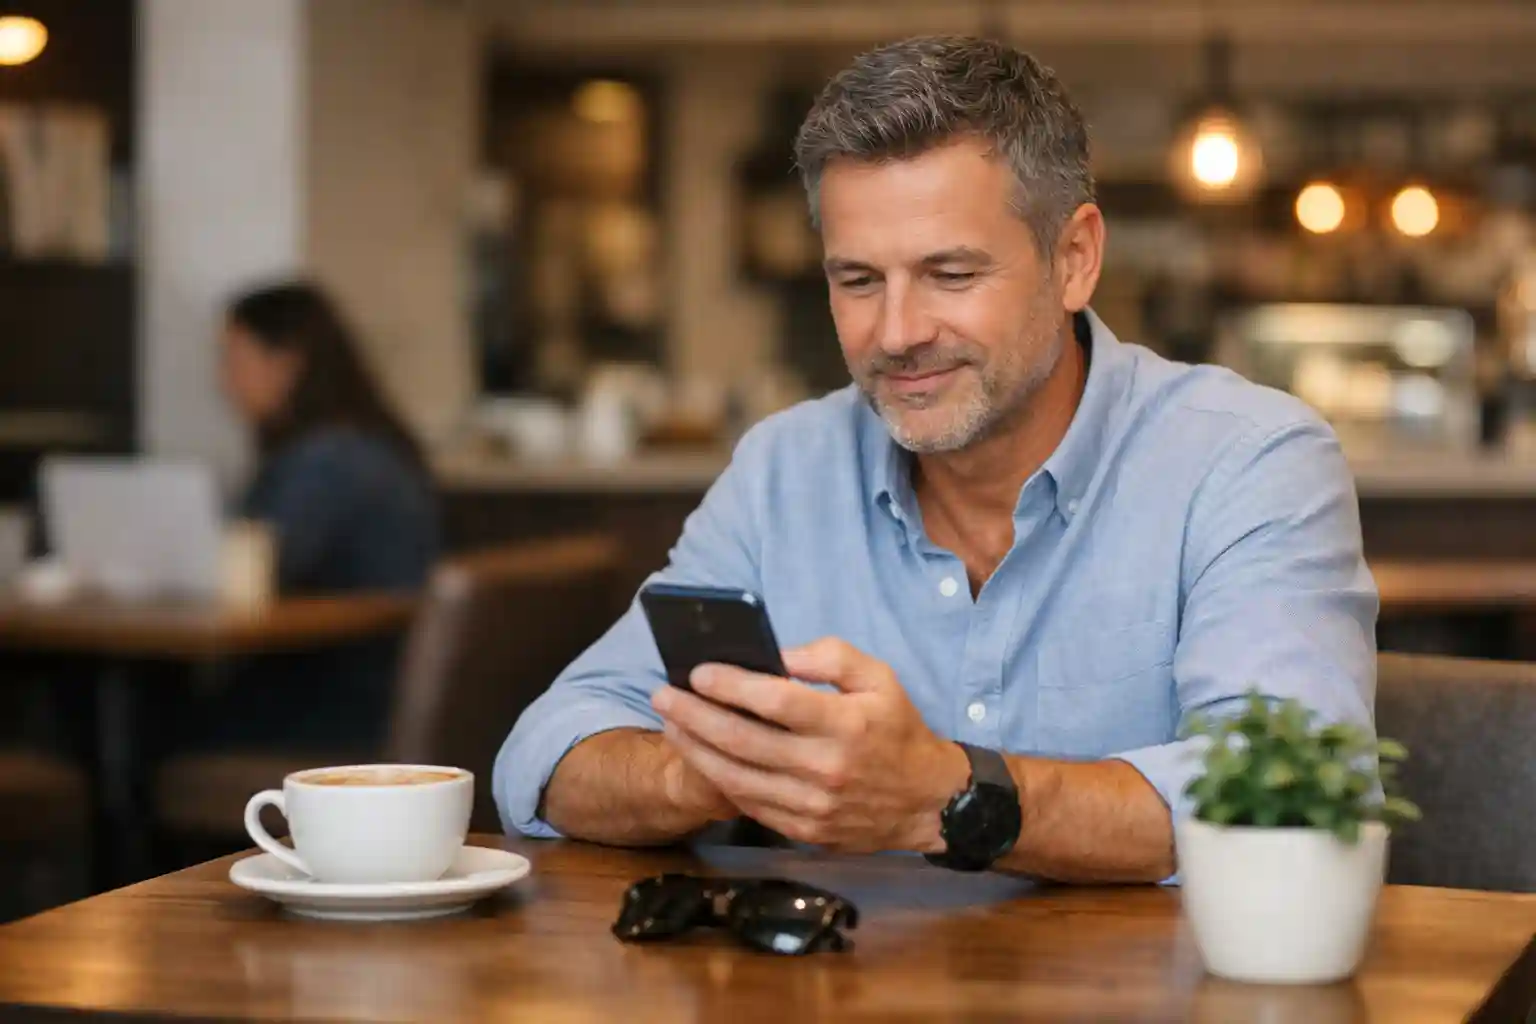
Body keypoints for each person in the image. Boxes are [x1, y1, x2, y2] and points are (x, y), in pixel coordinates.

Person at [494, 37, 1376, 881]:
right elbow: (546, 752)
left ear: (1074, 259)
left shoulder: (1247, 460)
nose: (898, 334)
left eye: (951, 275)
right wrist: (720, 772)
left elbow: (1290, 805)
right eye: (859, 280)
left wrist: (946, 799)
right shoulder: (784, 470)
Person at [178, 280, 439, 753]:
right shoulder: (363, 444)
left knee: (142, 716)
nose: (223, 381)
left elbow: (255, 575)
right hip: (369, 701)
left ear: (288, 363)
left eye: (234, 359)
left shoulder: (329, 461)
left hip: (333, 714)